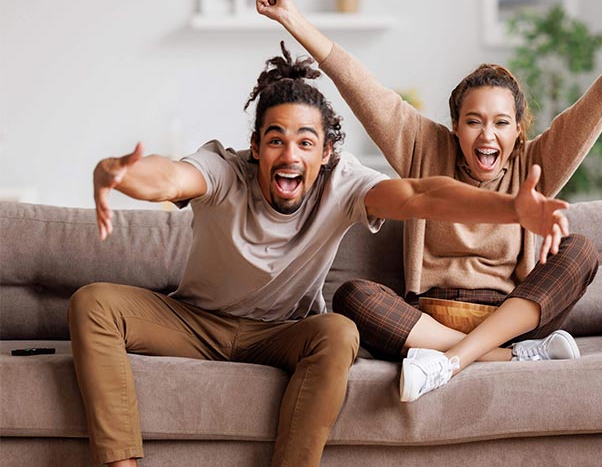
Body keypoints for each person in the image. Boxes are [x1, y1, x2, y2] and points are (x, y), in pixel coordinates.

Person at [68, 41, 571, 466]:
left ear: (326, 152)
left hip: (285, 332)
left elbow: (421, 196)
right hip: (196, 322)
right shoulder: (225, 170)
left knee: (339, 330)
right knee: (93, 303)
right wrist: (119, 174)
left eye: (306, 142)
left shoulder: (344, 182)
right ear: (256, 147)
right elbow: (171, 177)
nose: (290, 155)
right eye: (276, 140)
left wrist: (511, 209)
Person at [256, 0, 602, 402]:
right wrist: (292, 18)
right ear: (455, 127)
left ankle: (451, 361)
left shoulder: (535, 163)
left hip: (513, 318)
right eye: (473, 121)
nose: (486, 134)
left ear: (518, 131)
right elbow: (357, 83)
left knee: (580, 248)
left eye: (500, 123)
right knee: (350, 297)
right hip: (431, 318)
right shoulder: (424, 147)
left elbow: (597, 104)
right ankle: (508, 359)